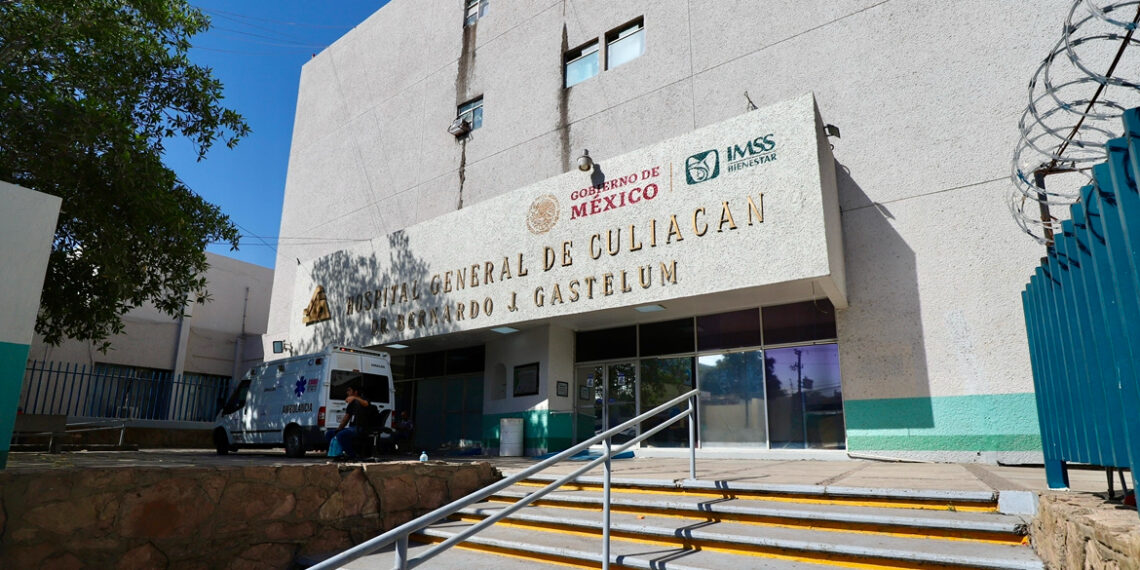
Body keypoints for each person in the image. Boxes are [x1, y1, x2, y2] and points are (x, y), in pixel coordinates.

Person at [325, 385, 370, 460]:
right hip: (351, 428)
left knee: (342, 435)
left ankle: (352, 455)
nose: (347, 392)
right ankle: (337, 455)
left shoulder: (363, 399)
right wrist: (338, 429)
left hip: (361, 428)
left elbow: (366, 403)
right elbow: (346, 418)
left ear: (355, 392)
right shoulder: (351, 404)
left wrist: (354, 398)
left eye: (349, 390)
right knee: (330, 433)